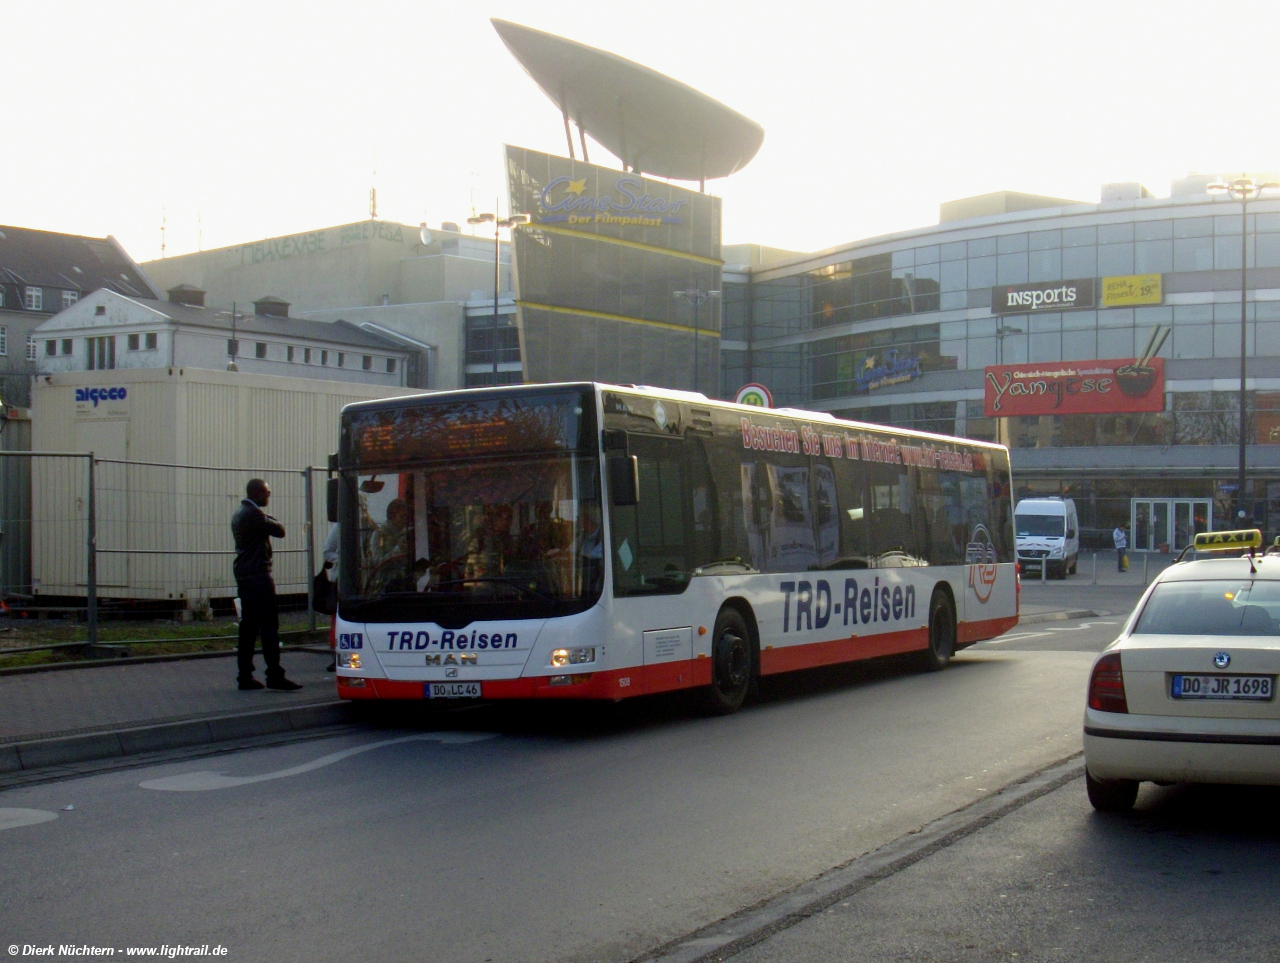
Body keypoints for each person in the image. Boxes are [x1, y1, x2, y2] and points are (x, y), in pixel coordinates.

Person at [231, 478, 302, 691]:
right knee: (269, 627)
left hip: (244, 574)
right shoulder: (254, 515)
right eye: (267, 493)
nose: (269, 497)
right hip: (259, 575)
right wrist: (267, 516)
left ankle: (245, 675)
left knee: (248, 628)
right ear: (258, 493)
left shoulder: (239, 513)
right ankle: (275, 675)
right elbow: (280, 530)